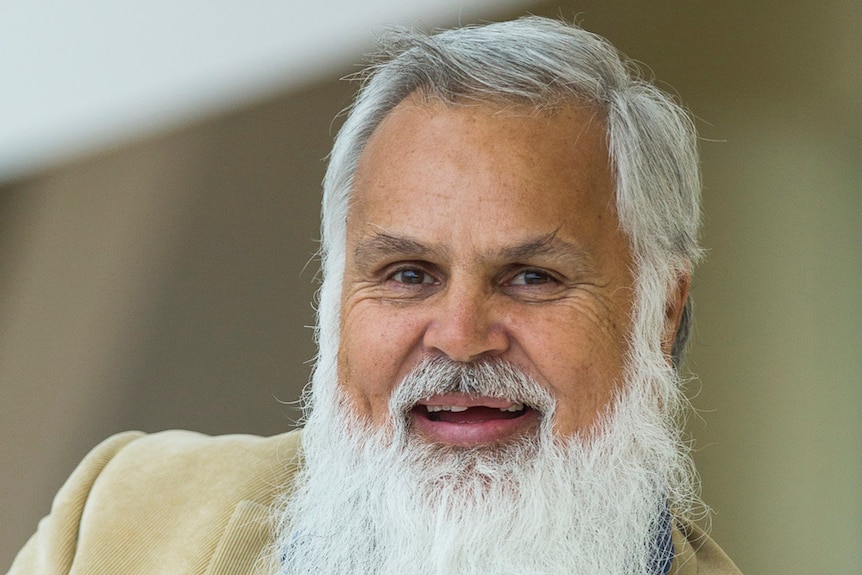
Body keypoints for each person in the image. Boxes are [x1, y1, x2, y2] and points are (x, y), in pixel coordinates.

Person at [8, 16, 742, 575]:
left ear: (661, 310)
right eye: (409, 274)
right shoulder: (120, 518)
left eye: (532, 277)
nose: (459, 335)